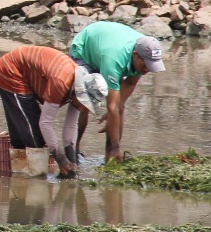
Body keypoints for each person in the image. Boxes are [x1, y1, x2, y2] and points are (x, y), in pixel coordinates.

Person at [0, 45, 108, 179]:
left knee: (31, 132)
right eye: (84, 102)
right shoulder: (61, 83)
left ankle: (22, 173)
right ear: (79, 92)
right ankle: (27, 181)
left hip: (29, 76)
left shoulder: (77, 89)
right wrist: (61, 159)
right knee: (33, 137)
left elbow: (71, 125)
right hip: (10, 71)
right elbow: (45, 123)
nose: (83, 106)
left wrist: (72, 161)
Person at [68, 21, 166, 162]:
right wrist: (115, 147)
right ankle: (74, 150)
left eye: (151, 66)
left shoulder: (144, 51)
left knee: (118, 109)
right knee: (84, 103)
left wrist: (112, 115)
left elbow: (126, 90)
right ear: (135, 55)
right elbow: (111, 105)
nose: (147, 70)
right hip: (85, 50)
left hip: (108, 49)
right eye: (146, 65)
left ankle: (110, 157)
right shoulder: (114, 59)